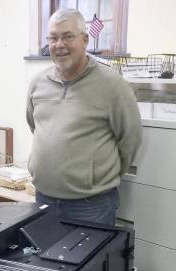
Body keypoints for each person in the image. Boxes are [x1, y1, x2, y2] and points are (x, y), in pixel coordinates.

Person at [26, 8, 142, 225]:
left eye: (68, 36)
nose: (59, 44)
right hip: (43, 198)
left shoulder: (112, 85)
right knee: (42, 259)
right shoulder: (37, 83)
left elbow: (130, 139)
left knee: (91, 260)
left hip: (91, 205)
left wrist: (96, 177)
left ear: (85, 40)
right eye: (53, 38)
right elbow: (36, 126)